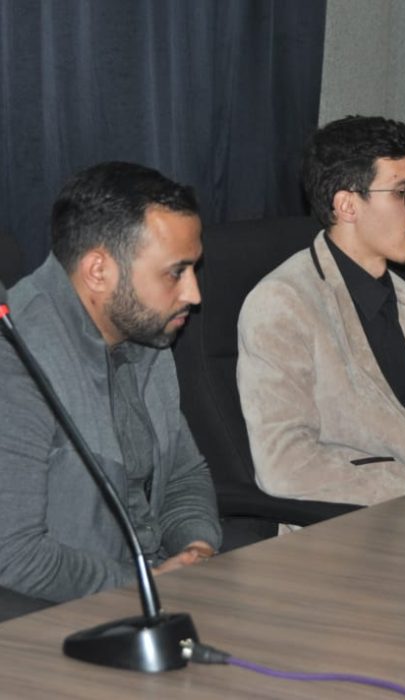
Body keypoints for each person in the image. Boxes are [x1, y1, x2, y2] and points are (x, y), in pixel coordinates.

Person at [237, 115, 405, 517]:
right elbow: (285, 465)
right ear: (347, 205)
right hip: (368, 525)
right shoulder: (283, 304)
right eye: (404, 193)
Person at [0, 162, 222, 614]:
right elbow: (13, 554)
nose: (194, 294)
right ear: (98, 271)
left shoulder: (144, 331)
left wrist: (196, 549)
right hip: (48, 615)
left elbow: (183, 475)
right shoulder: (17, 358)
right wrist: (145, 583)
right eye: (175, 272)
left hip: (146, 589)